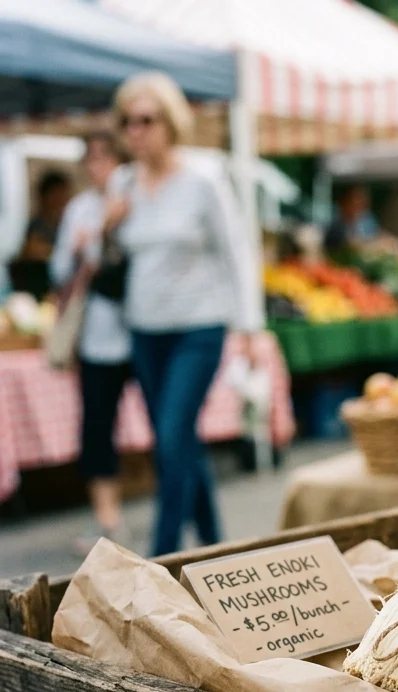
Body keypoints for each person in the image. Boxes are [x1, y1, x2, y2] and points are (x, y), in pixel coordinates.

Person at [107, 72, 262, 557]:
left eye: (146, 120)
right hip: (144, 328)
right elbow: (111, 261)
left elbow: (237, 251)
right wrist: (108, 228)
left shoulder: (203, 177)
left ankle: (163, 557)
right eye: (127, 121)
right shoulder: (121, 182)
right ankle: (215, 545)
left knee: (172, 439)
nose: (135, 131)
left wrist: (250, 327)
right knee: (179, 442)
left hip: (199, 325)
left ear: (170, 122)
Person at [50, 131, 133, 552]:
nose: (98, 167)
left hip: (143, 326)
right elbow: (59, 267)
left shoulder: (139, 195)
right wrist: (91, 239)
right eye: (92, 159)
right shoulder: (81, 209)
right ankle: (108, 519)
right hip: (99, 333)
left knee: (166, 419)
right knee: (98, 422)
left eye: (106, 158)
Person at [20, 170, 72, 262]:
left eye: (63, 194)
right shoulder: (38, 225)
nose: (60, 199)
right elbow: (33, 249)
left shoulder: (67, 223)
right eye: (56, 193)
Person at [323, 184, 379, 250]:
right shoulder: (335, 227)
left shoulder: (368, 221)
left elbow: (376, 237)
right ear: (343, 204)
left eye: (360, 203)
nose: (356, 207)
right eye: (353, 203)